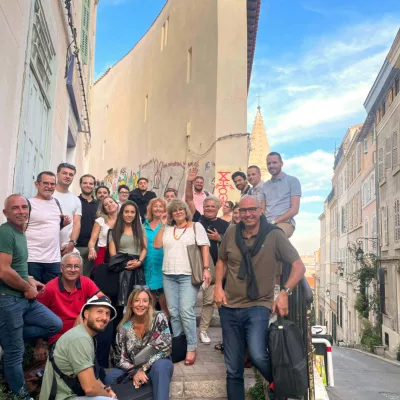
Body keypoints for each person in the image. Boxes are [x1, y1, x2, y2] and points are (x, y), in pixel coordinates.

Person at [214, 195, 306, 400]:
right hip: (229, 306)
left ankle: (283, 386)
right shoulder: (231, 232)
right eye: (243, 210)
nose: (248, 214)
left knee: (257, 353)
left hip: (258, 304)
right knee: (233, 367)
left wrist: (285, 293)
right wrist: (218, 287)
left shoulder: (274, 234)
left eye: (252, 209)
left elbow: (299, 266)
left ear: (260, 210)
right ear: (238, 212)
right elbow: (221, 261)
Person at [0, 194, 62, 400]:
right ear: (5, 213)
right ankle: (21, 396)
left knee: (54, 324)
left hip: (23, 299)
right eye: (15, 208)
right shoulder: (5, 233)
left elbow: (16, 266)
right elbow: (3, 270)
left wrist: (30, 279)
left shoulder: (20, 232)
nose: (20, 211)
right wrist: (27, 288)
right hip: (9, 299)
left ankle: (8, 335)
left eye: (24, 207)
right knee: (14, 354)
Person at [153, 199, 211, 365]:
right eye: (174, 210)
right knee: (173, 311)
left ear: (186, 211)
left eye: (181, 209)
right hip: (168, 274)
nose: (178, 212)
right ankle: (179, 344)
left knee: (186, 311)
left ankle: (191, 347)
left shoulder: (196, 226)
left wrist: (206, 268)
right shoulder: (168, 228)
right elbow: (157, 245)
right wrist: (163, 224)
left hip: (188, 274)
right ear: (170, 214)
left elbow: (204, 246)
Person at [39, 295, 118, 400]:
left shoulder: (86, 335)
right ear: (86, 314)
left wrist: (106, 389)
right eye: (99, 311)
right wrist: (109, 396)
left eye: (107, 314)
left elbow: (93, 378)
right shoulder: (80, 338)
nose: (104, 317)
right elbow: (90, 388)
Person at [104, 287, 173, 400]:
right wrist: (135, 372)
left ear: (150, 303)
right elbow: (119, 359)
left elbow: (166, 348)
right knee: (110, 377)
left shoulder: (159, 318)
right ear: (131, 303)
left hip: (157, 363)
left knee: (161, 367)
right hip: (133, 369)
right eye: (137, 300)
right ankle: (148, 389)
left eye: (145, 301)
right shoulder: (123, 328)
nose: (140, 304)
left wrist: (144, 368)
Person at [185, 168, 229, 344]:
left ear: (218, 208)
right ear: (203, 207)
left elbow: (231, 245)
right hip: (194, 266)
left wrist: (220, 239)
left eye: (213, 206)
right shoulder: (197, 219)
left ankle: (203, 330)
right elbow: (188, 199)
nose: (209, 209)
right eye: (207, 206)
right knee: (188, 302)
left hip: (214, 267)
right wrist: (189, 182)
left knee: (209, 302)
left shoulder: (226, 225)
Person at [36, 253, 101, 349]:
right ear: (61, 268)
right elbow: (38, 317)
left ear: (81, 269)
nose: (73, 270)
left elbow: (104, 300)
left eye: (76, 266)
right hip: (59, 337)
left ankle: (102, 361)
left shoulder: (85, 282)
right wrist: (39, 345)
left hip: (82, 333)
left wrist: (84, 313)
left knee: (104, 319)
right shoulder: (49, 288)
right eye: (69, 266)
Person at [26, 171, 71, 283]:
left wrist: (62, 224)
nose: (49, 187)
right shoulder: (28, 204)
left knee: (52, 295)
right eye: (46, 183)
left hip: (54, 260)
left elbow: (51, 227)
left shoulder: (56, 202)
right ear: (37, 184)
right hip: (32, 258)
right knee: (32, 294)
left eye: (52, 184)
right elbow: (21, 229)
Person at [109, 201, 148, 307]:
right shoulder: (114, 230)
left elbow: (144, 249)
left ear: (136, 214)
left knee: (136, 299)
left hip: (137, 267)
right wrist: (124, 264)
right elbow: (113, 253)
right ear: (121, 213)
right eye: (126, 212)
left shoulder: (141, 229)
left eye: (132, 212)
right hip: (120, 267)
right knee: (120, 301)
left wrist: (139, 262)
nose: (129, 215)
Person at [262, 152, 301, 238]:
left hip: (284, 222)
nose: (271, 165)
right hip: (266, 224)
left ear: (281, 163)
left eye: (274, 162)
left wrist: (275, 221)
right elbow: (262, 209)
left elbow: (294, 209)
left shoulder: (292, 181)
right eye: (269, 163)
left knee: (274, 236)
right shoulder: (265, 186)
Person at [143, 198, 169, 316]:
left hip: (164, 265)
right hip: (148, 265)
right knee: (150, 299)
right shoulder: (144, 226)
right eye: (155, 206)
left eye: (161, 206)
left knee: (164, 302)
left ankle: (167, 329)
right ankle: (151, 327)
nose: (158, 209)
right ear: (151, 209)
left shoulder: (169, 226)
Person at [54, 163, 82, 256]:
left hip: (67, 247)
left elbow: (77, 223)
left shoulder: (76, 200)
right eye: (64, 173)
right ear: (57, 175)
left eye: (71, 174)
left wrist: (72, 243)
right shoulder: (49, 195)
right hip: (48, 246)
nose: (67, 176)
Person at [88, 196, 119, 271]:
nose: (109, 205)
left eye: (111, 202)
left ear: (116, 204)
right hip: (103, 253)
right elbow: (92, 240)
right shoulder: (100, 221)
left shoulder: (123, 220)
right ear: (104, 209)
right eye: (106, 204)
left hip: (119, 253)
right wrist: (91, 249)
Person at [76, 174, 99, 277]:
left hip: (94, 248)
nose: (88, 185)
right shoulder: (75, 201)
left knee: (88, 279)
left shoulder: (99, 205)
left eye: (91, 183)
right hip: (77, 247)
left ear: (94, 186)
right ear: (80, 184)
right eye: (85, 183)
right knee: (73, 277)